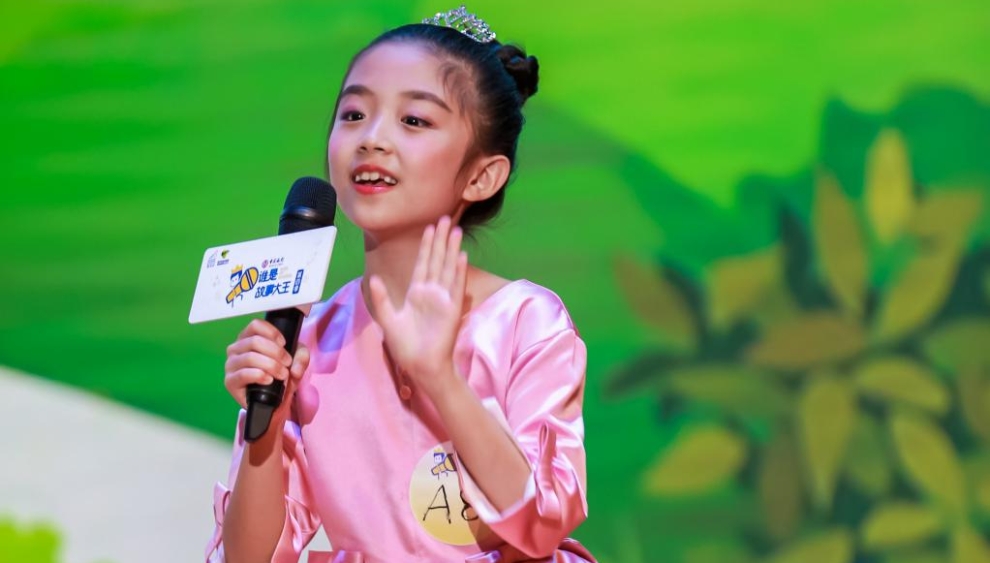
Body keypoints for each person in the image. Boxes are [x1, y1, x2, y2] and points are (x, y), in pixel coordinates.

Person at [206, 6, 594, 562]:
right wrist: (264, 424)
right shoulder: (309, 341)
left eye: (414, 120)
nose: (372, 139)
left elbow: (540, 525)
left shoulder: (524, 323)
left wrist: (440, 378)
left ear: (482, 176)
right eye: (354, 114)